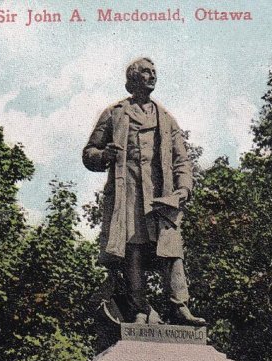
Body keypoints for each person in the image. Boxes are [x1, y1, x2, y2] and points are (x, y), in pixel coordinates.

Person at [82, 57, 205, 326]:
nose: (152, 76)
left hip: (162, 195)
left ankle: (179, 306)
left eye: (154, 72)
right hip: (129, 193)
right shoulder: (114, 113)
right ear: (133, 79)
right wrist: (104, 155)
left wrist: (184, 188)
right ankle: (139, 309)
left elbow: (181, 159)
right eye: (146, 72)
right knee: (133, 249)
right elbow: (89, 153)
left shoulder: (166, 118)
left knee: (172, 250)